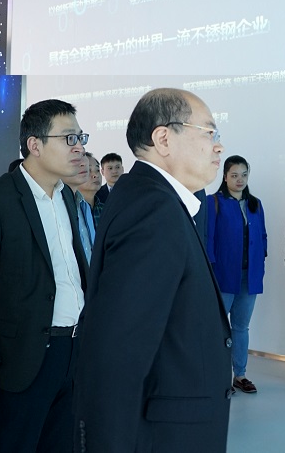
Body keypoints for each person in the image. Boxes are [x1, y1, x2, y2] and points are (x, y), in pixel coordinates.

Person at [74, 88, 233, 452]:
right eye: (210, 133)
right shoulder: (153, 208)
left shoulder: (153, 197)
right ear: (163, 138)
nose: (218, 147)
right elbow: (118, 351)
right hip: (165, 435)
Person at [0, 99, 89, 452]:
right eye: (69, 138)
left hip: (73, 350)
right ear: (35, 144)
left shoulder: (68, 197)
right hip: (21, 357)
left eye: (81, 138)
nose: (78, 147)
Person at [207, 155, 268, 394]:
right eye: (234, 175)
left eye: (244, 174)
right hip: (222, 275)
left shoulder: (255, 204)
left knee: (241, 328)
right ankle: (217, 377)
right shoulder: (214, 202)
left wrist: (261, 260)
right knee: (219, 328)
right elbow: (209, 239)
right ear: (225, 177)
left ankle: (239, 375)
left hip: (249, 276)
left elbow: (262, 236)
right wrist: (210, 270)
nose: (239, 179)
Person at [64, 152, 97, 262]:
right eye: (74, 158)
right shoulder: (54, 205)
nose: (83, 163)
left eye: (83, 155)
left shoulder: (84, 205)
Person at [79, 152, 105, 229]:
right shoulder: (69, 209)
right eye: (88, 170)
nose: (96, 175)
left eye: (97, 170)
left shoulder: (106, 210)